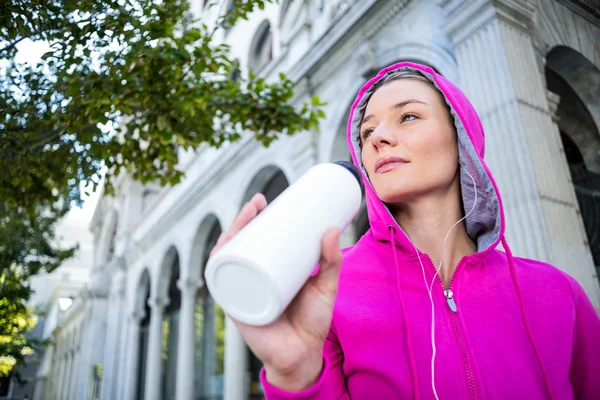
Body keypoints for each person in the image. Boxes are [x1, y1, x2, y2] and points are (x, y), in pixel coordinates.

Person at [210, 62, 600, 399]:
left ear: (460, 135)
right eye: (366, 133)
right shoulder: (325, 293)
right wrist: (295, 376)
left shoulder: (558, 293)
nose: (377, 137)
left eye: (408, 116)